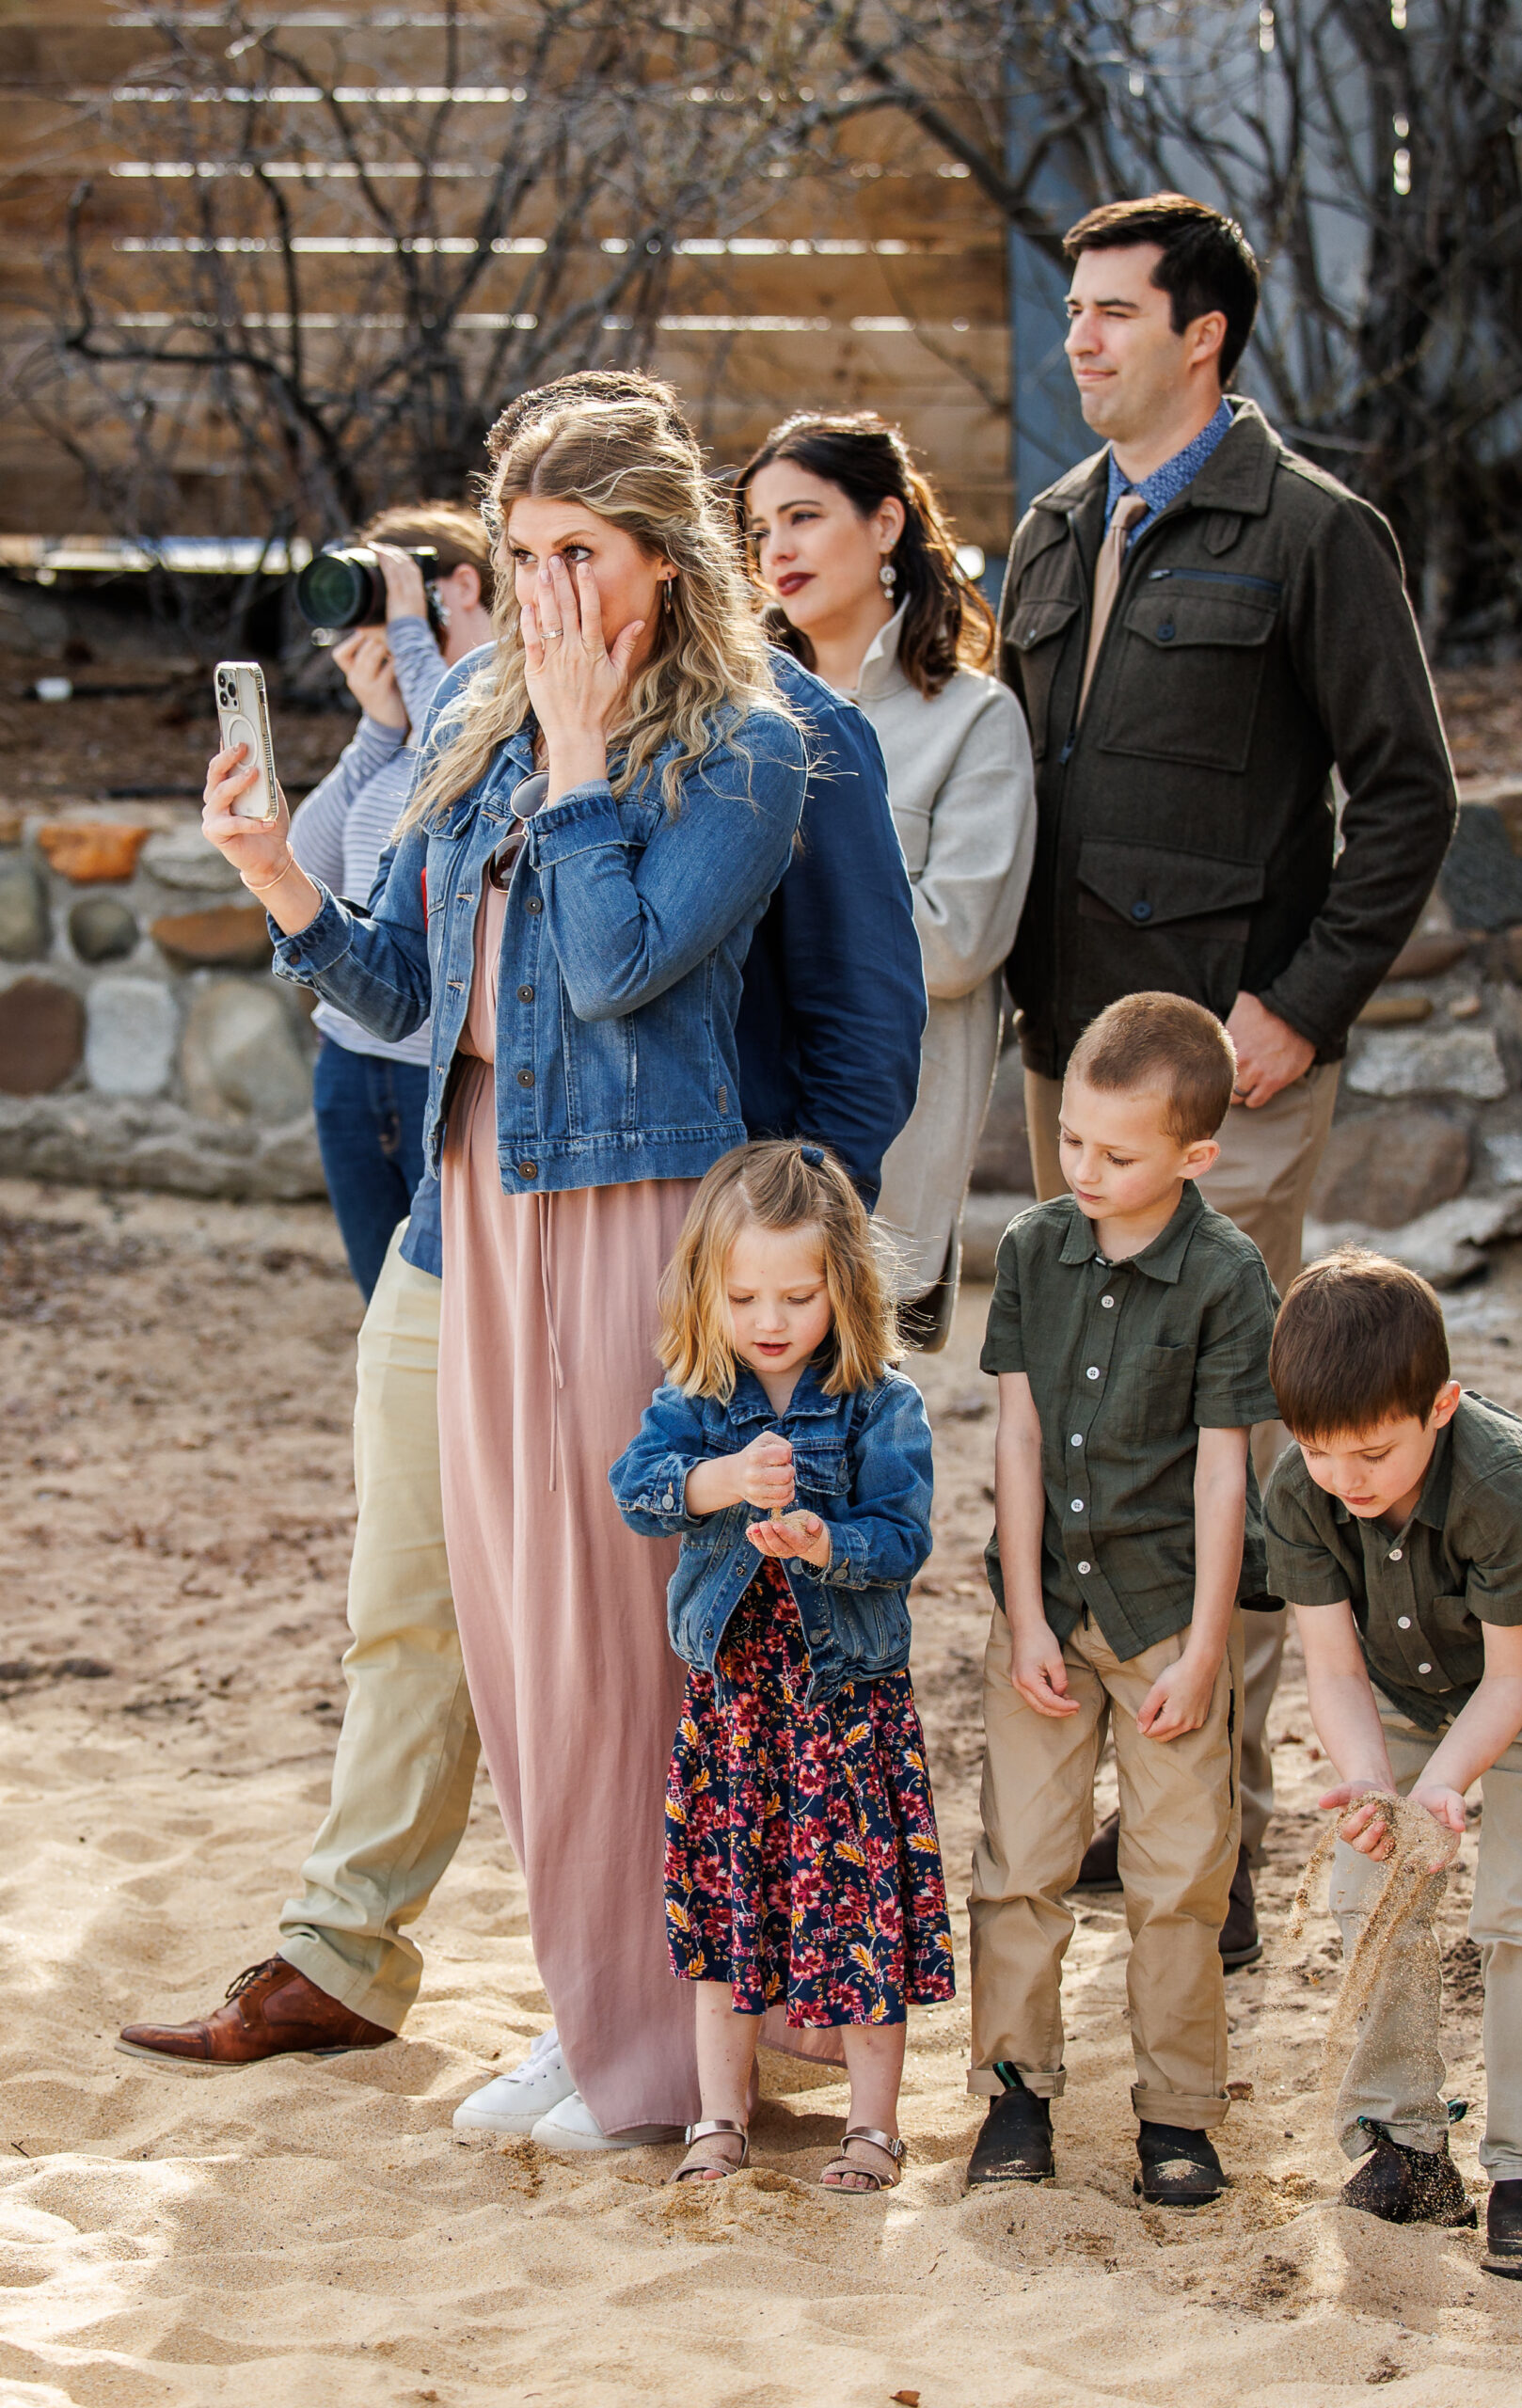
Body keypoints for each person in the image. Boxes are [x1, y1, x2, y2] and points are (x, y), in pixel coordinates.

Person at [115, 372, 926, 2150]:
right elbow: (411, 999)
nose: (545, 587)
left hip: (648, 1217)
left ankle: (656, 2046)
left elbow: (631, 967)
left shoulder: (751, 739)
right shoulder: (482, 715)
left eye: (581, 553)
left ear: (664, 557)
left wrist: (572, 751)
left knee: (635, 1643)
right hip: (478, 1198)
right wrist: (275, 877)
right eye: (524, 552)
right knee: (518, 1638)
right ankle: (599, 2007)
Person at [998, 192, 1457, 1957]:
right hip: (1070, 1072)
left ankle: (1226, 1845)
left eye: (1114, 313)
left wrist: (1306, 1004)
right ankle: (1131, 1799)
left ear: (1203, 333)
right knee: (1093, 1422)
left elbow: (1404, 790)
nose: (1080, 340)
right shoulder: (1046, 532)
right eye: (1073, 312)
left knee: (1219, 1430)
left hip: (1230, 1092)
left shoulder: (1313, 531)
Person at [965, 992, 1279, 2198]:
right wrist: (1027, 1620)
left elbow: (1221, 1476)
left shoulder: (1227, 1275)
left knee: (1180, 1880)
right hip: (1044, 1612)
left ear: (1195, 1156)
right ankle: (1013, 2096)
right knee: (1020, 1865)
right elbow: (1018, 1437)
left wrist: (1205, 1653)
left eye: (1118, 1152)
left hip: (1166, 1619)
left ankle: (1178, 2116)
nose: (1084, 1169)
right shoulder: (1038, 1248)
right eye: (1075, 1143)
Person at [610, 1139, 952, 2191]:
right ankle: (721, 2116)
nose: (769, 1320)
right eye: (745, 1295)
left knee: (861, 1916)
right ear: (707, 1294)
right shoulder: (697, 1401)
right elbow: (638, 1486)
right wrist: (716, 1480)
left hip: (842, 1706)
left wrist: (823, 1542)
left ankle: (873, 2126)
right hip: (736, 1708)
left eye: (797, 1295)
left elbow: (904, 1539)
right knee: (730, 1911)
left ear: (842, 1289)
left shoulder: (878, 1404)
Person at [1263, 1250, 1522, 2279]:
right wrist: (1375, 1785)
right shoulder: (1302, 1487)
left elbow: (1511, 1682)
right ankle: (1404, 2143)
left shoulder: (1500, 1480)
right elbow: (1329, 1665)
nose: (1345, 1478)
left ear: (1442, 1406)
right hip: (1406, 1688)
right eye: (1321, 1451)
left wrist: (1442, 1790)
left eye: (1372, 1452)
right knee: (1373, 1884)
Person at [737, 412, 1035, 1345]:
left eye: (803, 517)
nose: (775, 548)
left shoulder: (976, 720)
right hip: (731, 1115)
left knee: (857, 1427)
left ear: (886, 524)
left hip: (886, 1139)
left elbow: (956, 943)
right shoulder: (726, 712)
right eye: (756, 530)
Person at [290, 506, 495, 1297]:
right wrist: (375, 730)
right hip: (348, 1059)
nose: (386, 630)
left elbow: (462, 773)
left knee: (458, 1312)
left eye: (398, 603)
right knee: (386, 1313)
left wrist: (412, 640)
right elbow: (307, 864)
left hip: (439, 1072)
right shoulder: (403, 731)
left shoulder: (509, 713)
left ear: (461, 587)